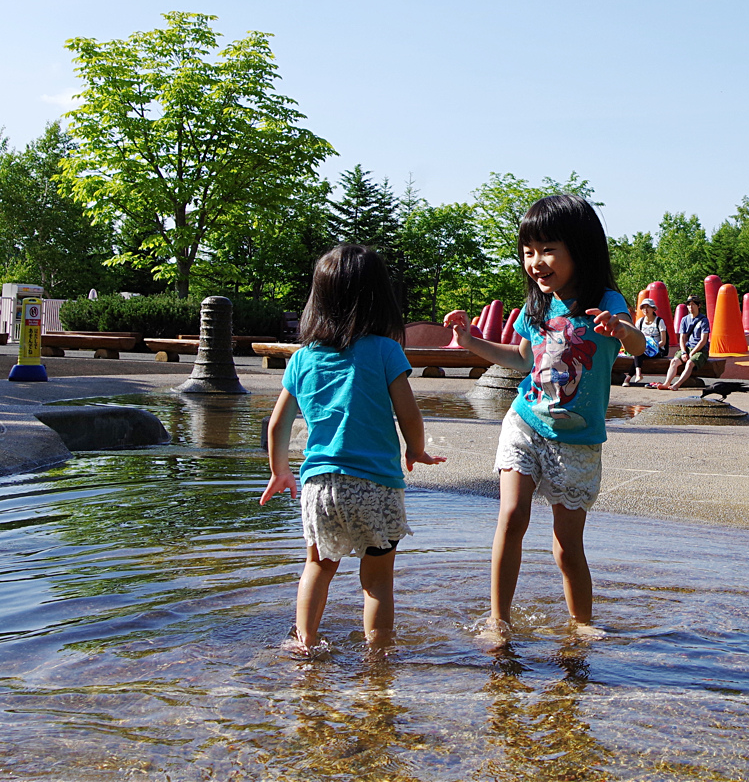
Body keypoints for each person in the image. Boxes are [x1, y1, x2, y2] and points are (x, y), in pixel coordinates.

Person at [442, 194, 644, 641]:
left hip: (576, 439)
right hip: (525, 422)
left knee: (566, 547)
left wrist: (621, 329)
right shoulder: (537, 307)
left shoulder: (606, 301)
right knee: (511, 515)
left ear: (582, 248)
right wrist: (471, 342)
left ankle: (582, 625)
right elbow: (520, 359)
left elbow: (639, 347)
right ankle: (499, 619)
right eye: (529, 252)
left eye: (548, 249)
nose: (536, 262)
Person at [260, 245, 447, 658]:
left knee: (318, 567)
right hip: (375, 486)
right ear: (380, 298)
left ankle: (304, 646)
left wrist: (279, 471)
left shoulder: (302, 359)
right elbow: (409, 414)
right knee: (377, 580)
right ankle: (378, 661)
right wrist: (415, 451)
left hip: (318, 485)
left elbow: (277, 425)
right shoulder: (384, 350)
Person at [656, 295, 709, 390]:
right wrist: (684, 352)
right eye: (689, 305)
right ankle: (666, 383)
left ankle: (677, 384)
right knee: (674, 361)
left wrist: (692, 353)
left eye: (693, 304)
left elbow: (703, 340)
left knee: (689, 363)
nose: (690, 307)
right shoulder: (685, 319)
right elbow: (682, 338)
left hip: (700, 350)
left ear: (699, 306)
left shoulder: (704, 320)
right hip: (688, 348)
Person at [623, 298, 666, 386]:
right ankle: (635, 375)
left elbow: (663, 341)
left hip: (657, 349)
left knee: (639, 353)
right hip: (643, 349)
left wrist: (653, 346)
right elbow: (636, 338)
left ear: (653, 309)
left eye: (648, 307)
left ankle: (630, 377)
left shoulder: (659, 321)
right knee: (639, 352)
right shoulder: (640, 322)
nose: (645, 310)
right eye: (643, 308)